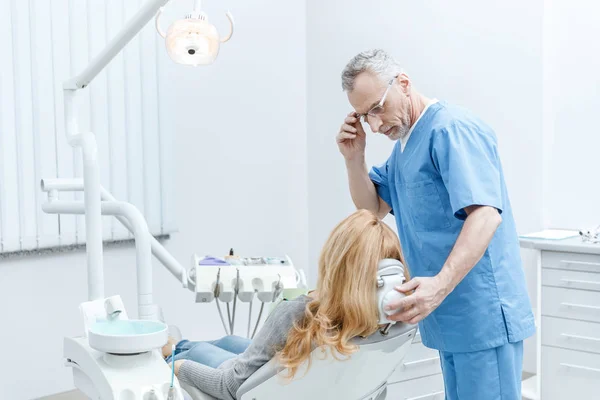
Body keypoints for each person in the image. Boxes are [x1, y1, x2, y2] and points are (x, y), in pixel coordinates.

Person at [337, 49, 535, 400]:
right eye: (366, 116)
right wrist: (355, 158)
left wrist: (440, 285)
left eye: (378, 108)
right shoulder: (403, 148)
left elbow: (486, 214)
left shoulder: (452, 129)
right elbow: (373, 208)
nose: (377, 124)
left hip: (480, 310)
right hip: (448, 312)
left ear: (404, 83)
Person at [167, 209, 409, 400]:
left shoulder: (297, 313)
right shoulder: (386, 329)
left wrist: (178, 368)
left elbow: (231, 386)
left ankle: (170, 349)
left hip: (238, 379)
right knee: (228, 341)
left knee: (190, 353)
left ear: (335, 267)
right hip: (275, 371)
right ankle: (177, 344)